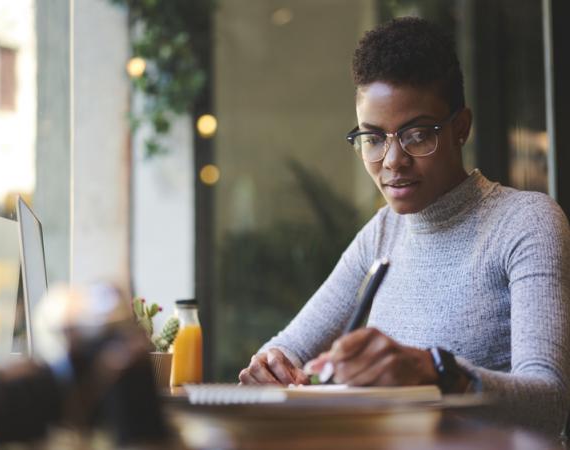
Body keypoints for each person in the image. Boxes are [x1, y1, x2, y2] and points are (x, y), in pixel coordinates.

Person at [238, 17, 570, 435]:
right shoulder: (382, 233)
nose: (392, 161)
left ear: (461, 128)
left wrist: (435, 371)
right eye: (373, 138)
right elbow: (291, 347)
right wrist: (272, 364)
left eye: (416, 135)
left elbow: (550, 405)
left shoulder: (525, 223)